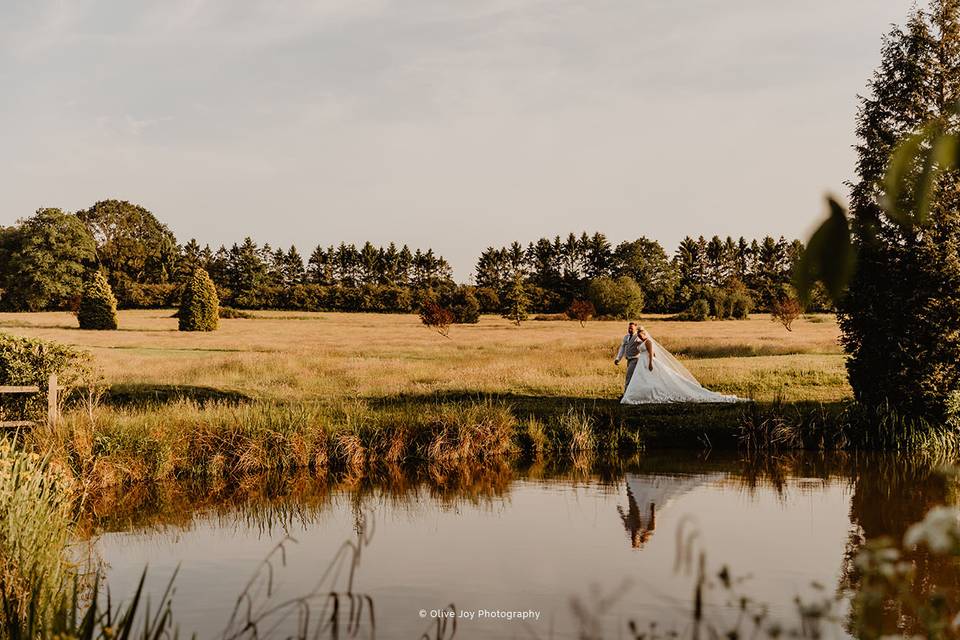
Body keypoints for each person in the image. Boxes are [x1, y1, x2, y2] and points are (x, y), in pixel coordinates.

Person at [620, 327, 742, 404]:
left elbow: (652, 353)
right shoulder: (640, 342)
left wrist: (651, 363)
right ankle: (636, 394)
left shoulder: (649, 342)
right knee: (642, 380)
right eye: (640, 335)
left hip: (647, 362)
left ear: (646, 334)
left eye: (642, 335)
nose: (641, 336)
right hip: (641, 363)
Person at [614, 322, 644, 394]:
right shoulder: (626, 337)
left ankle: (626, 394)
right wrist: (618, 358)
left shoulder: (638, 336)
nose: (630, 330)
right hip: (629, 360)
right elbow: (622, 347)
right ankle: (633, 393)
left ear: (636, 329)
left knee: (628, 377)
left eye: (631, 328)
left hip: (635, 359)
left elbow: (644, 344)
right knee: (632, 378)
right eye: (629, 328)